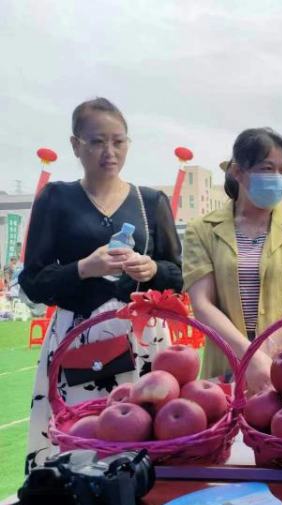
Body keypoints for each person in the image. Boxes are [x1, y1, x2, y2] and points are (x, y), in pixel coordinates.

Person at [19, 97, 182, 458]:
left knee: (148, 440)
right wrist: (83, 268)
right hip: (75, 339)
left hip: (142, 341)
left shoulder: (150, 201)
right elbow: (33, 282)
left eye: (118, 141)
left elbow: (175, 276)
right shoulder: (57, 198)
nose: (109, 151)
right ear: (76, 145)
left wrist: (151, 270)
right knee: (77, 444)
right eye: (97, 141)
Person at [183, 127, 282, 393]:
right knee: (227, 429)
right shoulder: (201, 230)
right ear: (237, 172)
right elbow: (202, 304)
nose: (277, 178)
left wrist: (266, 351)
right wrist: (247, 355)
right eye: (266, 169)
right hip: (226, 364)